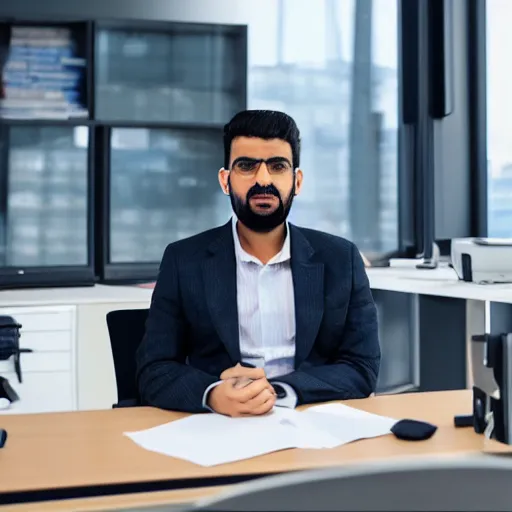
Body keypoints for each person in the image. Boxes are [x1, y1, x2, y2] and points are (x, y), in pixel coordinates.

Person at [136, 110, 380, 416]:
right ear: (226, 180)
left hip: (311, 422)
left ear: (297, 180)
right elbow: (154, 370)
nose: (263, 179)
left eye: (277, 166)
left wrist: (279, 391)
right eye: (247, 166)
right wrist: (212, 394)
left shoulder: (340, 259)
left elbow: (362, 366)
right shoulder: (183, 260)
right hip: (219, 427)